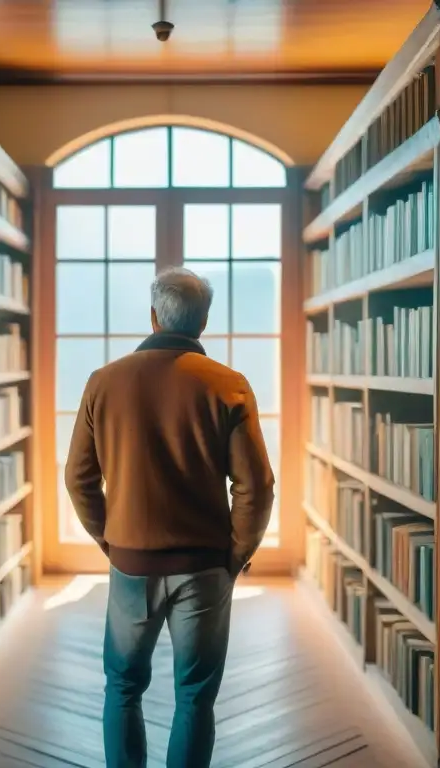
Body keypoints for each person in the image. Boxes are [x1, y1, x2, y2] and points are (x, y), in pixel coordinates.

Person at [64, 266, 275, 768]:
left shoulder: (104, 382)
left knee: (122, 686)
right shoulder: (229, 385)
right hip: (204, 566)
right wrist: (236, 552)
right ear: (202, 324)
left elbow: (78, 479)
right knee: (195, 696)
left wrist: (111, 541)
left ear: (154, 316)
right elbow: (257, 486)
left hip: (131, 564)